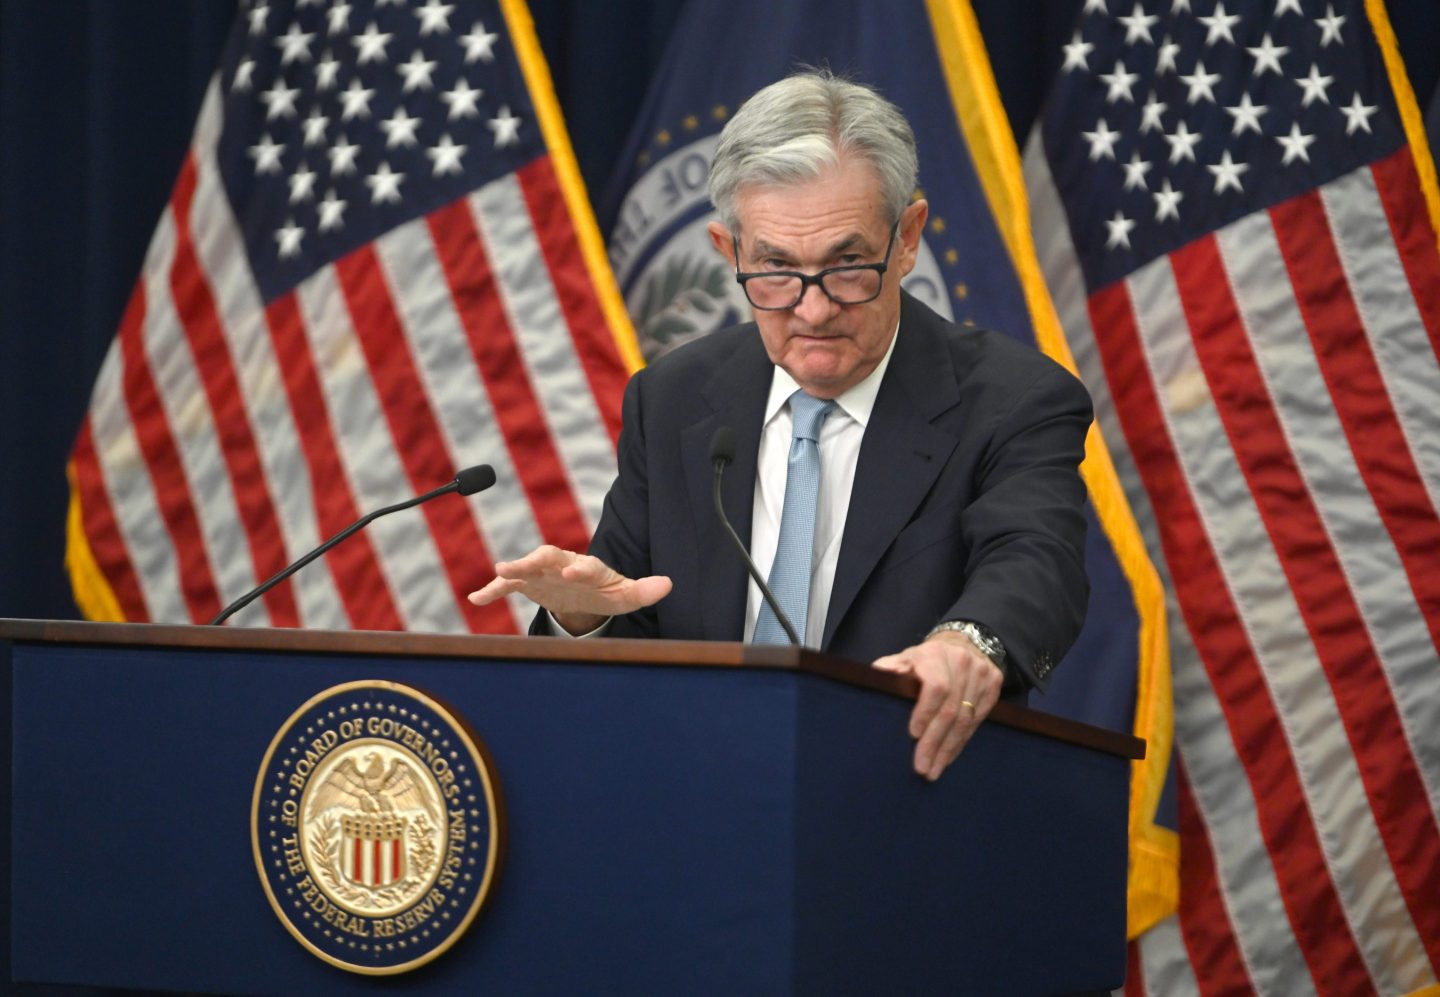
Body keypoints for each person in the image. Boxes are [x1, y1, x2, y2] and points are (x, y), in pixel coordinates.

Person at [470, 70, 1092, 781]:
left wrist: (968, 641)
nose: (814, 309)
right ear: (728, 251)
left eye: (848, 264)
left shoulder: (1013, 401)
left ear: (909, 237)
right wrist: (586, 619)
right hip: (701, 805)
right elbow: (638, 618)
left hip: (904, 806)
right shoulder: (673, 399)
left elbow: (1036, 561)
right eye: (775, 268)